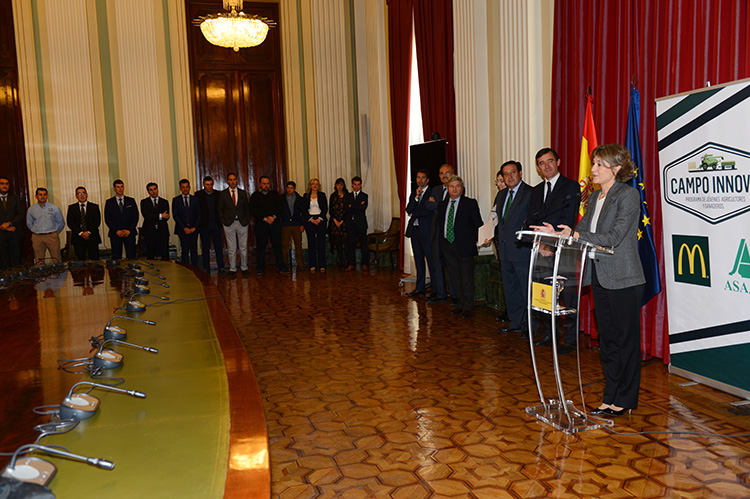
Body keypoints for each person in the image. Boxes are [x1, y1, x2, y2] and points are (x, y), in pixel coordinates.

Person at [532, 144, 645, 416]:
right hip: (601, 277)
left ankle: (626, 399)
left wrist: (577, 235)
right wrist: (557, 233)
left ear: (615, 169)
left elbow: (614, 237)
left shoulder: (627, 196)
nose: (592, 169)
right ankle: (610, 396)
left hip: (624, 278)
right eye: (593, 164)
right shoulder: (594, 198)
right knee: (607, 340)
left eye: (598, 165)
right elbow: (579, 231)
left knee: (625, 341)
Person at [527, 147, 581, 354]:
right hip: (540, 251)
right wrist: (540, 244)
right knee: (544, 294)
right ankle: (550, 335)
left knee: (568, 296)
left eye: (550, 161)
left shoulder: (571, 186)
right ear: (538, 168)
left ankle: (570, 339)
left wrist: (549, 244)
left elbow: (567, 218)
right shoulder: (535, 191)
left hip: (564, 250)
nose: (546, 166)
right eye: (542, 163)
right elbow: (532, 220)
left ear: (558, 162)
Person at [493, 161, 532, 335]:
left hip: (522, 251)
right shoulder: (501, 196)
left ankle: (530, 327)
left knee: (526, 290)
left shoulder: (530, 193)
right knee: (510, 289)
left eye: (512, 172)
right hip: (505, 251)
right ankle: (516, 323)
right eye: (506, 174)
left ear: (520, 173)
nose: (509, 176)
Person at [437, 176, 483, 318]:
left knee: (466, 278)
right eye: (452, 186)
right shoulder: (442, 205)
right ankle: (460, 304)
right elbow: (440, 225)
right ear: (448, 188)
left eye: (458, 186)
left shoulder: (470, 203)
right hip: (447, 245)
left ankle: (468, 307)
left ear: (462, 189)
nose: (455, 189)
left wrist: (479, 240)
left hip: (464, 246)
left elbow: (478, 224)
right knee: (454, 277)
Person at [405, 169, 436, 297]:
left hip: (427, 232)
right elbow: (408, 209)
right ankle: (420, 288)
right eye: (418, 177)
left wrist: (414, 213)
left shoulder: (432, 192)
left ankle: (435, 289)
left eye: (423, 177)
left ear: (427, 180)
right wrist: (416, 197)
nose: (420, 180)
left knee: (431, 261)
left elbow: (428, 211)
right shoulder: (414, 193)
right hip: (415, 232)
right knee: (418, 261)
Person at [426, 164, 453, 303]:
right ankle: (441, 294)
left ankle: (454, 295)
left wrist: (438, 205)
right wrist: (441, 205)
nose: (444, 176)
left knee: (451, 264)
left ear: (452, 173)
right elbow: (428, 205)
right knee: (437, 263)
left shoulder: (456, 188)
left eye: (447, 173)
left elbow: (448, 207)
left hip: (450, 233)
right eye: (442, 173)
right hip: (436, 232)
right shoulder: (436, 189)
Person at [250, 175, 286, 275]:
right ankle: (260, 268)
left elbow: (280, 207)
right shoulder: (255, 196)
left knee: (277, 245)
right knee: (261, 246)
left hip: (274, 223)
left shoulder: (275, 195)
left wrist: (273, 217)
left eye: (268, 183)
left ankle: (281, 266)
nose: (266, 185)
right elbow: (253, 209)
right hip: (261, 224)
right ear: (260, 184)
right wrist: (264, 218)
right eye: (264, 183)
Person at [217, 173, 250, 274]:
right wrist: (223, 221)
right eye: (230, 180)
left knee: (243, 247)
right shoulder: (223, 194)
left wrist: (246, 220)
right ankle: (232, 268)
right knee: (231, 248)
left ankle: (244, 267)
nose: (232, 181)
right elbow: (219, 209)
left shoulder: (243, 193)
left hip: (242, 223)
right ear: (227, 181)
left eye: (234, 179)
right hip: (228, 224)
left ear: (237, 180)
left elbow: (247, 208)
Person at [195, 176, 225, 273]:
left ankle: (221, 267)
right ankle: (206, 267)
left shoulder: (218, 194)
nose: (209, 187)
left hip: (216, 224)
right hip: (204, 225)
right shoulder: (198, 195)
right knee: (205, 248)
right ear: (204, 185)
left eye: (211, 184)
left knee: (218, 247)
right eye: (207, 185)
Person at [26, 187, 65, 264]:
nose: (43, 196)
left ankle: (59, 275)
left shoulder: (54, 208)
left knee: (56, 259)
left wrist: (54, 233)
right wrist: (35, 230)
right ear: (36, 196)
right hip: (37, 237)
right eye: (40, 194)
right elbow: (29, 223)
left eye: (44, 194)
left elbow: (61, 223)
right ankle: (41, 276)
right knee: (39, 260)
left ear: (47, 196)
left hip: (51, 236)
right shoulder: (31, 209)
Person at [104, 179, 139, 260]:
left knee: (131, 256)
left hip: (129, 233)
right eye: (118, 187)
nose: (120, 189)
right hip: (115, 233)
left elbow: (135, 217)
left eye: (122, 187)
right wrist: (117, 231)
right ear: (114, 189)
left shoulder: (131, 201)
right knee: (116, 257)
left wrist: (129, 230)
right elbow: (107, 219)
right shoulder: (109, 202)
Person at [66, 186, 101, 260]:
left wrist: (88, 232)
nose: (82, 195)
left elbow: (97, 221)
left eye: (83, 193)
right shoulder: (72, 208)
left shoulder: (94, 207)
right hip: (78, 238)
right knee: (80, 262)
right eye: (79, 193)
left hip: (92, 237)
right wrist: (81, 233)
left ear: (87, 194)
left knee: (95, 262)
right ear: (76, 196)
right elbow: (70, 222)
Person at [172, 179, 201, 266]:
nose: (185, 189)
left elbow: (199, 214)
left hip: (193, 229)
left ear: (189, 187)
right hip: (182, 229)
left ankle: (196, 269)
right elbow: (175, 215)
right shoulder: (176, 200)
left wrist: (194, 227)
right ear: (180, 188)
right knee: (184, 250)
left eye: (186, 187)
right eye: (183, 187)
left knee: (194, 250)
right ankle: (186, 270)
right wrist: (184, 228)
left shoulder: (195, 199)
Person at [140, 182, 171, 260]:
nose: (153, 191)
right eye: (151, 190)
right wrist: (160, 215)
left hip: (162, 231)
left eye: (155, 189)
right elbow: (147, 216)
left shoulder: (164, 202)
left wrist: (155, 215)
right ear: (148, 191)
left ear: (157, 189)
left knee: (165, 254)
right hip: (150, 232)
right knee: (150, 254)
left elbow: (166, 216)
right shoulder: (144, 202)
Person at [279, 181, 306, 270]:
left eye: (291, 188)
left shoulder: (300, 199)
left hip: (296, 224)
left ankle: (300, 263)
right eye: (288, 188)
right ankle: (283, 263)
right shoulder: (281, 198)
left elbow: (303, 212)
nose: (289, 190)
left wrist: (302, 224)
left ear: (294, 189)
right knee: (285, 245)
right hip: (285, 224)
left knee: (298, 244)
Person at [0, 176, 25, 270]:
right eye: (2, 183)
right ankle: (5, 283)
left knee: (16, 261)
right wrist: (2, 227)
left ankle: (18, 282)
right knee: (3, 261)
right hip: (0, 235)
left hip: (14, 234)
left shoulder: (15, 198)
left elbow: (20, 214)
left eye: (7, 184)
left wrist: (9, 223)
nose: (5, 186)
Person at [344, 176, 369, 271]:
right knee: (350, 244)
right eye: (355, 184)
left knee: (363, 244)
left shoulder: (364, 196)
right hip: (350, 223)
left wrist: (352, 206)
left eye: (359, 184)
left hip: (361, 223)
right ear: (352, 185)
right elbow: (346, 208)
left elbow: (362, 207)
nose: (357, 186)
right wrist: (357, 205)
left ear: (361, 185)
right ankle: (351, 264)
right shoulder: (348, 196)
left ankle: (365, 264)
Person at [303, 178, 328, 273]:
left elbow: (325, 208)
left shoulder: (322, 195)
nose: (315, 185)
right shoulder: (306, 196)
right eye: (313, 184)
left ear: (319, 186)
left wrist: (319, 218)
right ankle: (312, 264)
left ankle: (322, 265)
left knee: (321, 243)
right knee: (311, 243)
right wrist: (311, 219)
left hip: (320, 220)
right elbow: (304, 210)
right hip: (310, 220)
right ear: (310, 185)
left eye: (317, 184)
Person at [328, 178, 348, 268]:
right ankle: (339, 259)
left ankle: (347, 260)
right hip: (335, 222)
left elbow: (348, 210)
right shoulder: (333, 196)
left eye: (341, 184)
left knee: (346, 241)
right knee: (338, 242)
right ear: (335, 186)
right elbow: (331, 210)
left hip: (344, 222)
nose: (339, 186)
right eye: (338, 184)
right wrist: (335, 220)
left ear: (343, 185)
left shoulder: (347, 196)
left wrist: (342, 220)